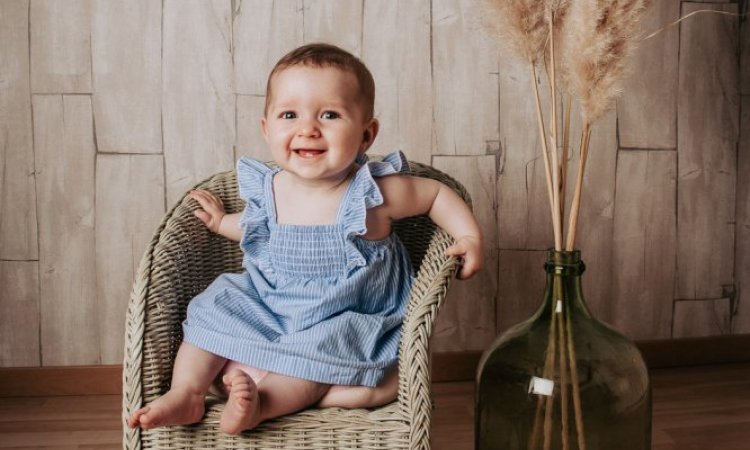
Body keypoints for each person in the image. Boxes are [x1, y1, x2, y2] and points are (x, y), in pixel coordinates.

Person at [127, 42, 482, 436]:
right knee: (215, 305)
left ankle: (263, 403)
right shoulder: (269, 187)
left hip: (343, 315)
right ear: (267, 128)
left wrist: (467, 235)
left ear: (366, 134)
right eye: (289, 114)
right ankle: (188, 393)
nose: (308, 128)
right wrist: (222, 222)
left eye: (329, 114)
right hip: (270, 302)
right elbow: (258, 229)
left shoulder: (372, 192)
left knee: (321, 353)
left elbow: (435, 195)